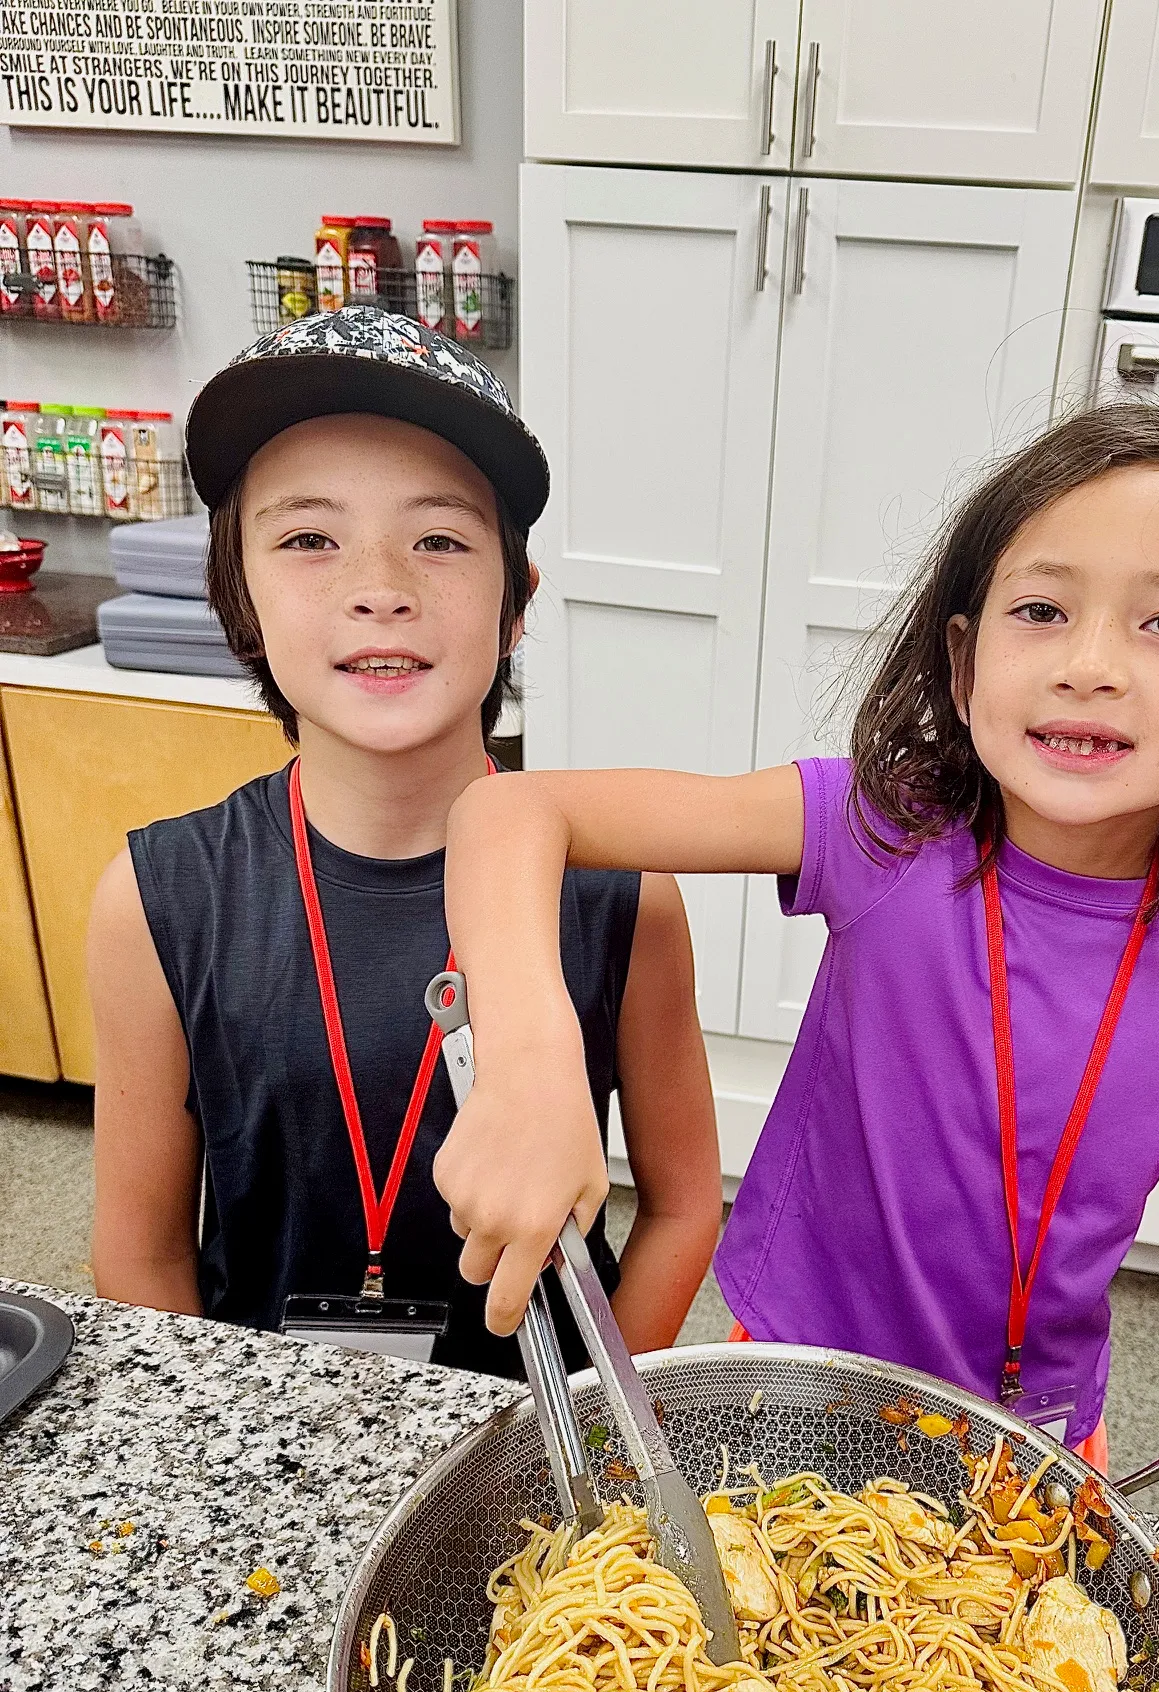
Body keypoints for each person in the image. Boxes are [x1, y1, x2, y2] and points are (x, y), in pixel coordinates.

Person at [433, 404, 1159, 1477]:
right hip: (795, 1383)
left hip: (1041, 1431)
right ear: (964, 665)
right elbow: (509, 813)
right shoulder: (883, 830)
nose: (1091, 665)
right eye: (1044, 610)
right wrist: (532, 1062)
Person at [87, 307, 722, 1378]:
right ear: (236, 596)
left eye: (438, 538)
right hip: (273, 1445)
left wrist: (585, 1427)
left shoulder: (622, 892)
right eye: (307, 539)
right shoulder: (158, 900)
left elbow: (683, 1202)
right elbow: (140, 1251)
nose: (379, 587)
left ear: (516, 603)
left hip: (539, 1446)